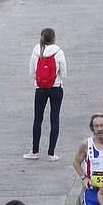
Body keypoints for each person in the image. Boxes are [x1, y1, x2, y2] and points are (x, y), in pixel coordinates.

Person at [26, 27, 67, 159]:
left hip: (40, 88)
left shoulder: (36, 50)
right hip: (56, 88)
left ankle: (34, 151)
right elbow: (64, 73)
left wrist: (38, 80)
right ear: (54, 38)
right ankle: (51, 153)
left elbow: (31, 71)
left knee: (38, 118)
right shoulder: (58, 51)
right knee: (54, 118)